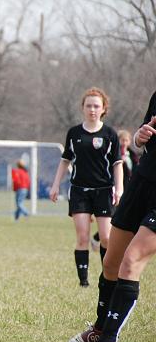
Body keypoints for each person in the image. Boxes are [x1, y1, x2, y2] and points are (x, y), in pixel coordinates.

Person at [67, 90, 156, 342]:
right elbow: (146, 138)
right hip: (143, 182)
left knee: (131, 261)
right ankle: (99, 329)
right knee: (111, 263)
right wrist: (141, 137)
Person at [49, 88, 123, 287]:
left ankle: (107, 278)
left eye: (96, 106)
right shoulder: (74, 133)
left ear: (103, 109)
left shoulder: (110, 134)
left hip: (104, 191)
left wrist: (119, 188)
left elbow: (117, 164)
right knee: (82, 237)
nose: (92, 109)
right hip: (79, 191)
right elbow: (65, 160)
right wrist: (55, 185)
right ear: (83, 108)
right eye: (88, 105)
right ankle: (83, 281)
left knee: (106, 238)